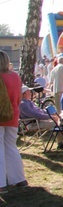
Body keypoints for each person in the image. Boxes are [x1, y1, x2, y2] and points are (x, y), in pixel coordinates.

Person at [1, 51, 26, 193]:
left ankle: (1, 183)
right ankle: (18, 178)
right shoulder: (15, 76)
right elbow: (18, 98)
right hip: (13, 113)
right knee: (11, 146)